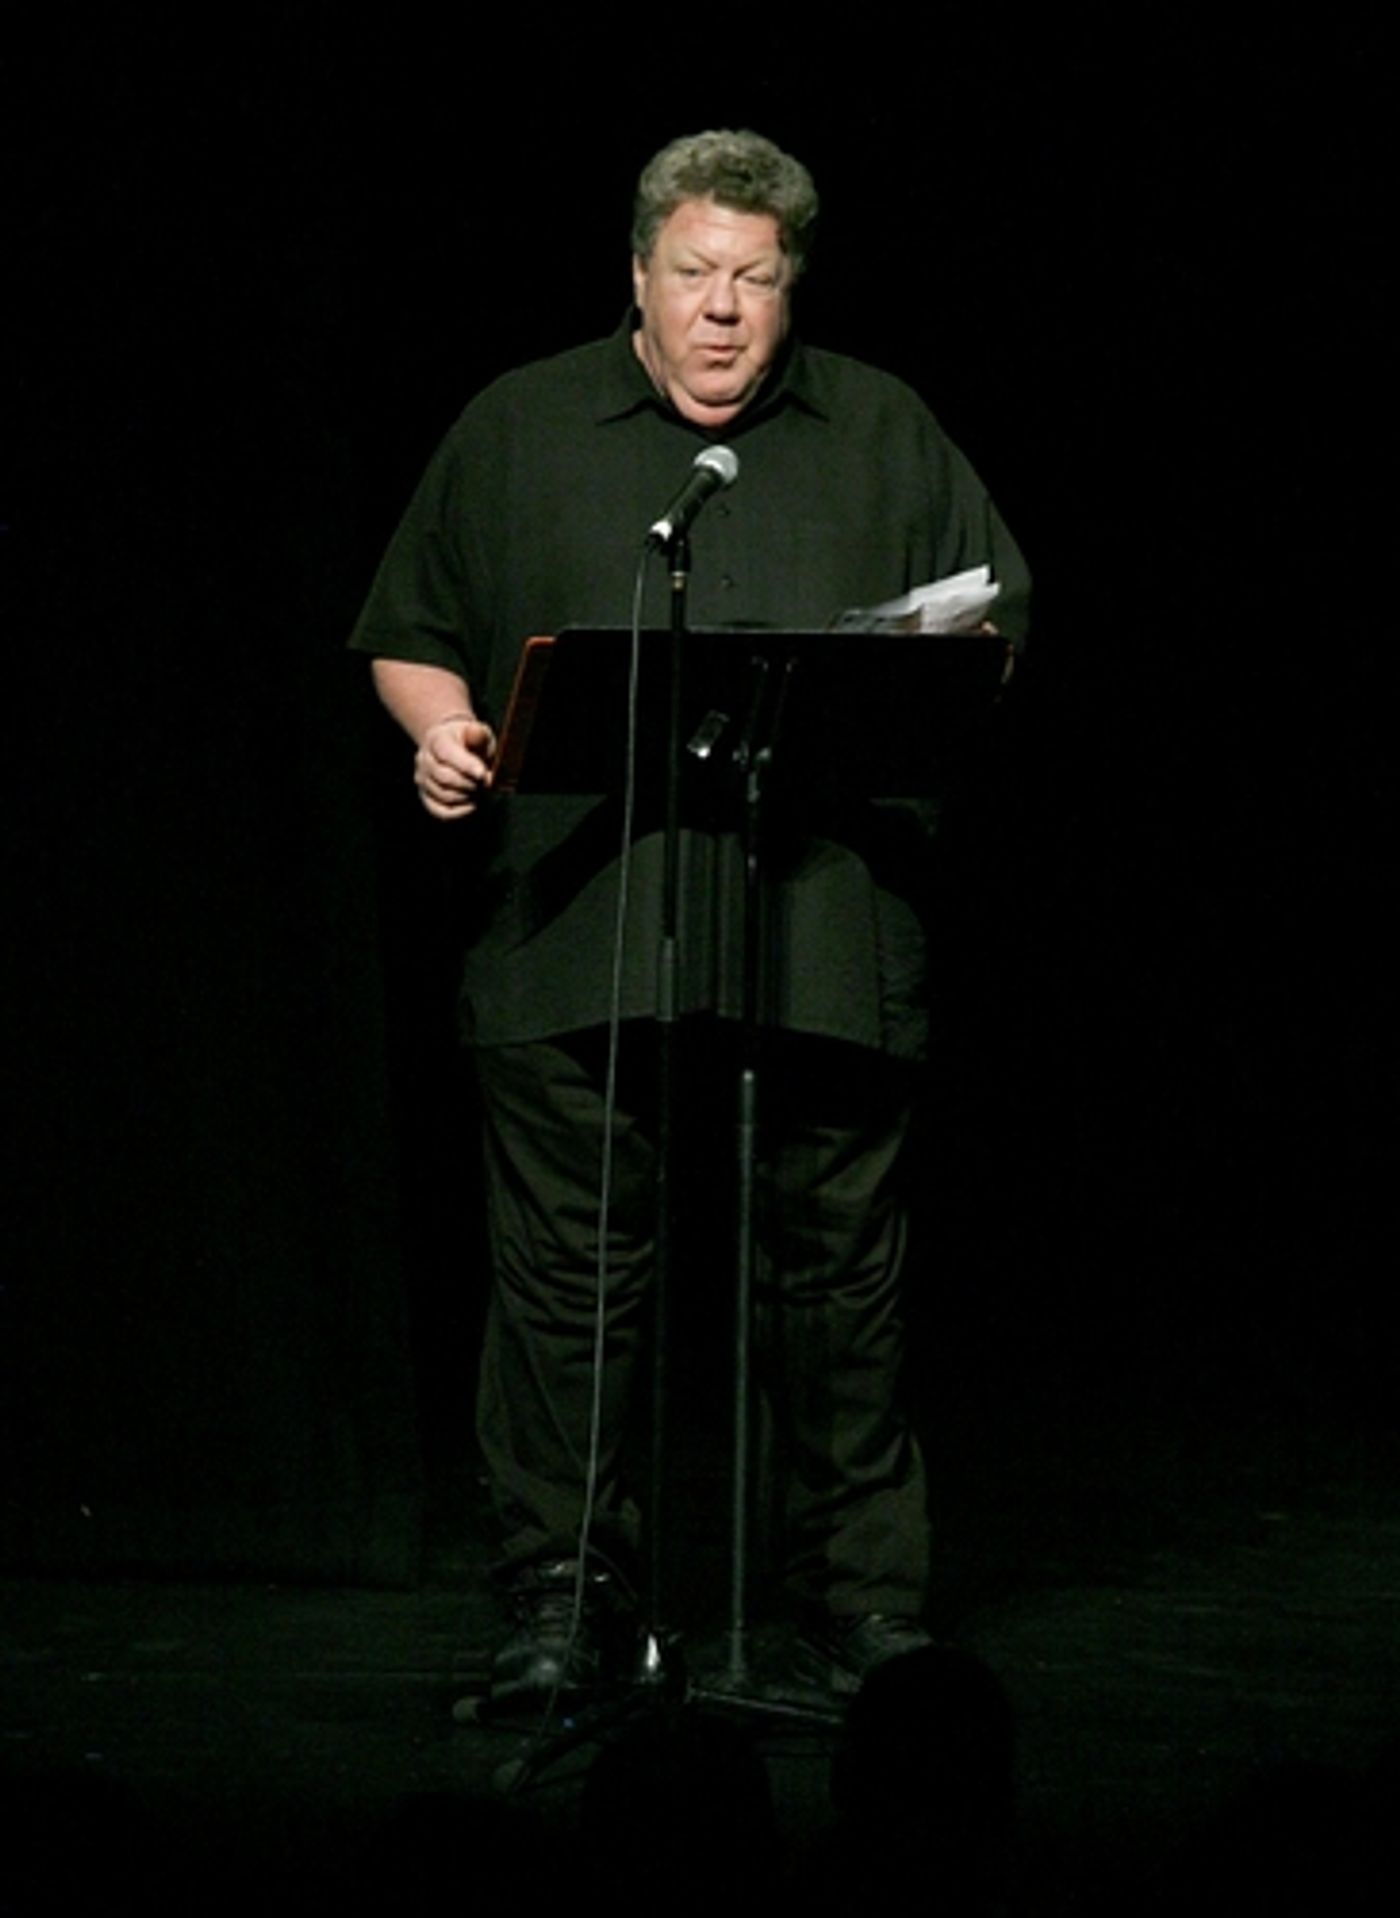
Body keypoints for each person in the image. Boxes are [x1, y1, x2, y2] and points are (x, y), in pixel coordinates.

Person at [350, 129, 1030, 1704]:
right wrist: (442, 732)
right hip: (579, 925)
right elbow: (411, 625)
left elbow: (992, 620)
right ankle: (564, 1600)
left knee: (838, 1282)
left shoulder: (882, 425)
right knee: (569, 1282)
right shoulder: (520, 422)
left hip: (823, 928)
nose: (724, 309)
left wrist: (926, 666)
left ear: (792, 288)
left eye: (756, 279)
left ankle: (857, 1601)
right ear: (639, 276)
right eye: (695, 274)